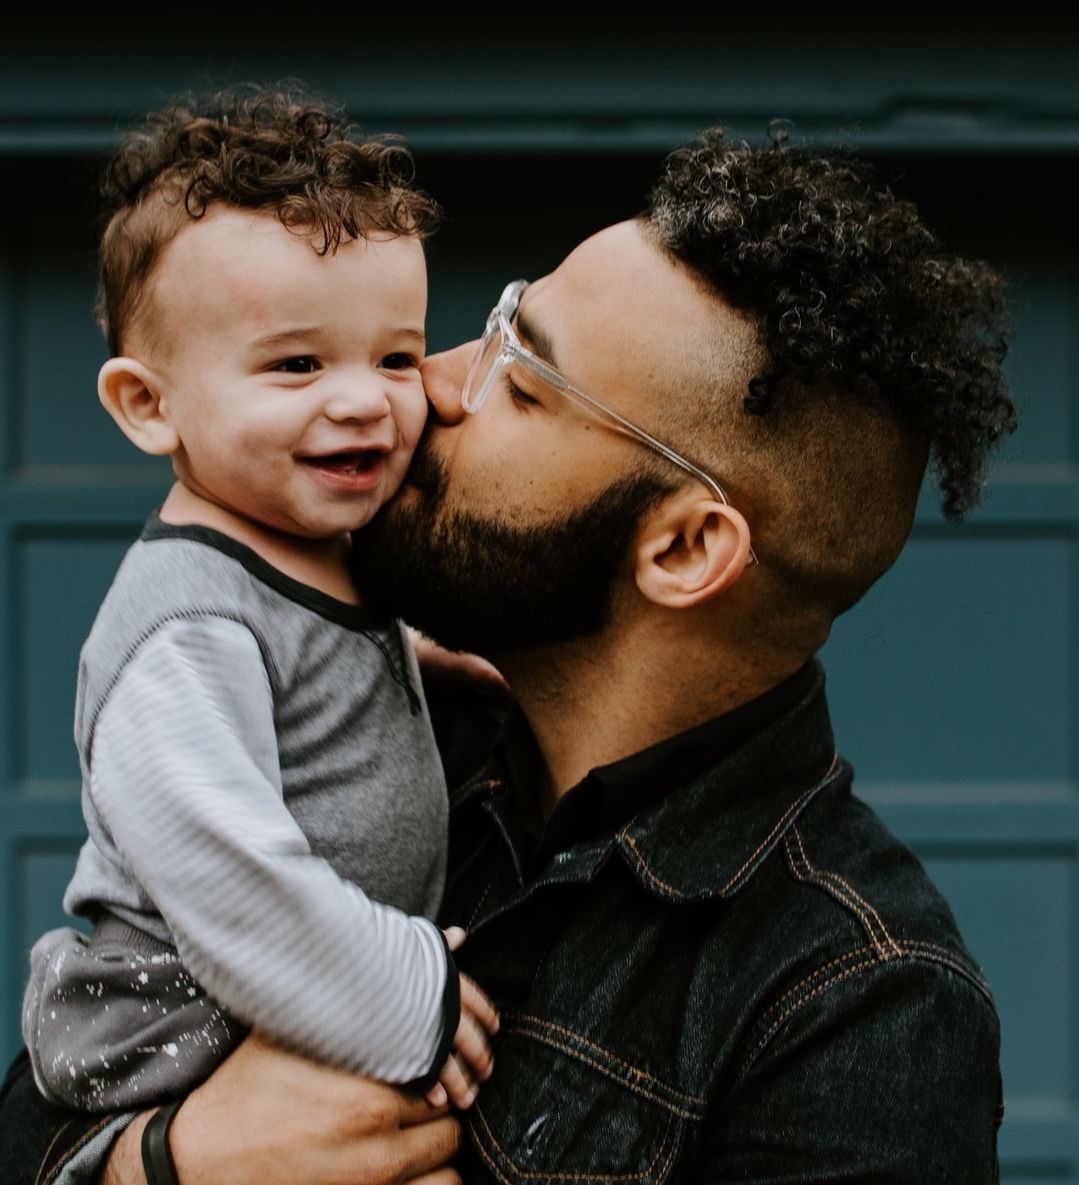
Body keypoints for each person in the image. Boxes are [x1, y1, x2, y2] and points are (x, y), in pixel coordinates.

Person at [0, 124, 1016, 1184]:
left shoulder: (856, 1003)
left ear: (682, 546)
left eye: (522, 381)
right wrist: (163, 1165)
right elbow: (58, 1085)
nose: (426, 387)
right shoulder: (368, 730)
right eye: (490, 331)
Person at [15, 85, 497, 1123]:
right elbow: (229, 873)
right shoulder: (185, 628)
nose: (364, 397)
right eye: (296, 364)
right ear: (150, 406)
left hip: (288, 1002)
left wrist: (416, 660)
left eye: (397, 358)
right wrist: (407, 996)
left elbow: (311, 666)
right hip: (176, 1029)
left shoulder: (316, 548)